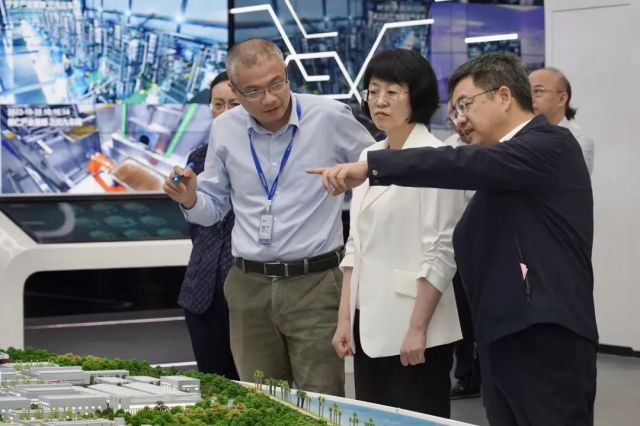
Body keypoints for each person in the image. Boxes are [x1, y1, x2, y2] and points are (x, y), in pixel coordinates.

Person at [308, 53, 598, 425]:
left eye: (465, 105)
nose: (459, 119)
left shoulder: (549, 144)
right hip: (503, 337)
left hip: (544, 337)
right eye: (455, 110)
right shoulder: (502, 167)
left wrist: (372, 168)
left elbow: (457, 164)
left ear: (503, 96)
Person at [164, 38, 374, 396]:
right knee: (262, 399)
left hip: (315, 282)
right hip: (249, 284)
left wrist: (354, 184)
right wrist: (191, 199)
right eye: (254, 91)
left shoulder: (329, 117)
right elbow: (213, 208)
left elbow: (376, 170)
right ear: (235, 91)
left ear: (287, 74)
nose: (270, 98)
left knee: (320, 400)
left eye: (277, 83)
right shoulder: (225, 129)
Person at [333, 49, 465, 417]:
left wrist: (418, 328)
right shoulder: (370, 154)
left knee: (418, 417)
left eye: (392, 92)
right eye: (373, 91)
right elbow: (355, 246)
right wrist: (345, 320)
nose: (379, 101)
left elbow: (441, 251)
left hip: (416, 323)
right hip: (369, 322)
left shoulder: (437, 157)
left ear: (417, 98)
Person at [178, 71, 239, 378]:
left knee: (257, 388)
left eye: (234, 104)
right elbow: (196, 226)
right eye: (218, 104)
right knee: (213, 387)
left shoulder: (266, 156)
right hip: (201, 291)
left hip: (247, 290)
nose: (224, 112)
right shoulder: (199, 156)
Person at [444, 104, 482, 401]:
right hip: (454, 248)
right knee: (462, 317)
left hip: (485, 245)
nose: (459, 120)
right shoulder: (448, 147)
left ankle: (483, 375)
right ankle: (466, 376)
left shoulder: (491, 146)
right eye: (454, 115)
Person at [528, 67, 594, 174]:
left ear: (561, 99)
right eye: (527, 92)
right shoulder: (520, 135)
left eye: (538, 91)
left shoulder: (579, 142)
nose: (530, 99)